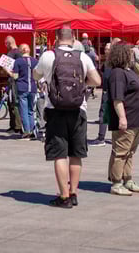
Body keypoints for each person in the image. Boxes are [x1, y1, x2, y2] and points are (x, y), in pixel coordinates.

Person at [34, 26, 101, 208]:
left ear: (56, 38)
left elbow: (36, 74)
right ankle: (73, 193)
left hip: (55, 110)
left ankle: (63, 196)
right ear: (73, 39)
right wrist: (82, 86)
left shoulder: (48, 56)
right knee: (76, 154)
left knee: (59, 154)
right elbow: (97, 81)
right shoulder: (83, 57)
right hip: (79, 110)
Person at [107, 42, 139, 195]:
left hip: (137, 119)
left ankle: (127, 178)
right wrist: (122, 118)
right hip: (128, 118)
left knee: (130, 151)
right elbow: (117, 98)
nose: (133, 54)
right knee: (120, 151)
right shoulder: (117, 73)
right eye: (130, 52)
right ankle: (116, 182)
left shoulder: (130, 70)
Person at [89, 42, 113, 147]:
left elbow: (107, 77)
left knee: (104, 114)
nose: (105, 50)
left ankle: (101, 138)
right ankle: (103, 137)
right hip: (107, 90)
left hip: (109, 91)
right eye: (106, 48)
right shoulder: (107, 63)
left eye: (107, 48)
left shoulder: (111, 63)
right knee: (105, 114)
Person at [13, 43, 38, 138]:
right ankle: (32, 130)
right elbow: (37, 75)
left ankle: (27, 131)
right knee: (31, 110)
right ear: (29, 50)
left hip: (22, 87)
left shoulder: (18, 61)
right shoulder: (35, 61)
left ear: (20, 51)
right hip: (32, 88)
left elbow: (15, 76)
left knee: (23, 110)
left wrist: (8, 71)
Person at [3, 36, 24, 134]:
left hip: (14, 80)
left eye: (5, 43)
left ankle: (17, 126)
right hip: (13, 80)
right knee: (11, 102)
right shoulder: (17, 53)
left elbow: (17, 67)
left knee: (14, 102)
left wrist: (7, 70)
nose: (5, 45)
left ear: (9, 43)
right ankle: (13, 125)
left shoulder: (15, 53)